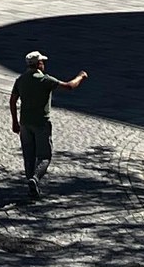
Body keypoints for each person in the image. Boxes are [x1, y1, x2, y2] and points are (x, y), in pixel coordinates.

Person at [7, 50, 89, 190]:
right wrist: (80, 77)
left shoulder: (20, 80)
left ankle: (31, 186)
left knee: (29, 156)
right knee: (45, 156)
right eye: (42, 62)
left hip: (25, 123)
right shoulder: (45, 80)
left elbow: (12, 101)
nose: (44, 64)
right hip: (41, 123)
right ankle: (35, 178)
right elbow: (69, 86)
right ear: (39, 64)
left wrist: (15, 121)